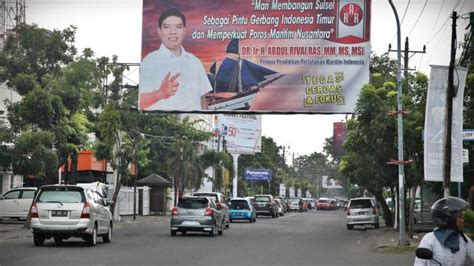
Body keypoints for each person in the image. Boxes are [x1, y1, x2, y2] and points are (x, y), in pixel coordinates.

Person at [139, 8, 212, 111]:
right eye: (167, 27)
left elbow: (203, 99)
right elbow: (140, 101)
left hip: (194, 124)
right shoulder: (149, 61)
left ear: (184, 30)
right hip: (163, 124)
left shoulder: (195, 62)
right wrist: (159, 94)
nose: (173, 32)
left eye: (178, 27)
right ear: (159, 31)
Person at [414, 196, 474, 265]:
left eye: (462, 218)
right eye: (459, 217)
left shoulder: (464, 239)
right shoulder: (429, 239)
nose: (462, 221)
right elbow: (419, 264)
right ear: (449, 219)